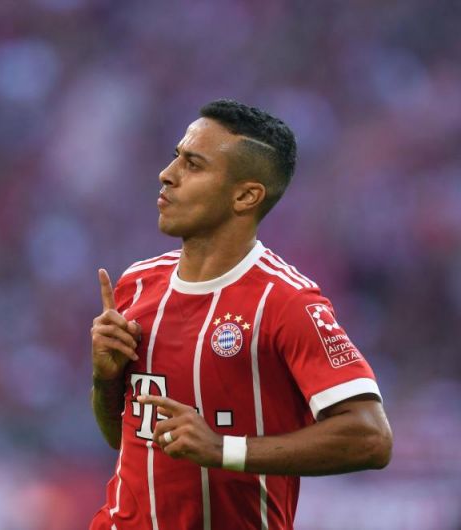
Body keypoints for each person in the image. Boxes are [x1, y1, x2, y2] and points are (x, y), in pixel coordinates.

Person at [89, 99, 392, 530]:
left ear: (246, 196)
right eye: (176, 156)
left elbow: (371, 438)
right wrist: (105, 378)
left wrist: (223, 449)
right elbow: (121, 438)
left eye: (193, 165)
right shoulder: (136, 284)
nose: (167, 173)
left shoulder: (286, 301)